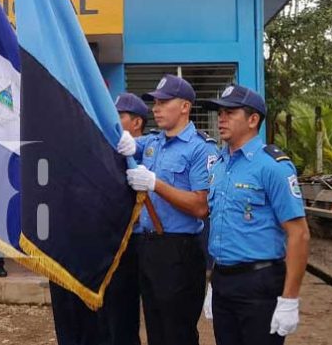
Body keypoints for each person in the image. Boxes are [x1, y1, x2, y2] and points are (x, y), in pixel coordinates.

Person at [200, 85, 309, 345]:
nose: (221, 118)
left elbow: (299, 234)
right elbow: (221, 225)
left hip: (259, 284)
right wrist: (213, 283)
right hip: (223, 280)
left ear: (253, 119)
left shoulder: (272, 166)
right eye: (219, 113)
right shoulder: (220, 164)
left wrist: (289, 299)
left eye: (229, 112)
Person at [117, 75, 218, 345]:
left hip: (180, 250)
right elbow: (128, 145)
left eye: (163, 102)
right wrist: (126, 141)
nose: (156, 108)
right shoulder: (153, 142)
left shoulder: (200, 148)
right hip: (149, 247)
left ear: (185, 106)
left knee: (178, 333)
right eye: (154, 103)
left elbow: (200, 206)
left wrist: (155, 184)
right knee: (156, 330)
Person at [98, 93, 150, 345]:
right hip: (112, 241)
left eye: (120, 116)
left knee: (126, 315)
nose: (114, 120)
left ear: (137, 122)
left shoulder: (150, 153)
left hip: (138, 242)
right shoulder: (113, 152)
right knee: (108, 313)